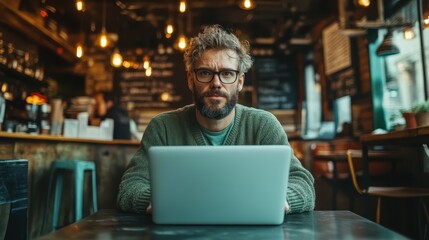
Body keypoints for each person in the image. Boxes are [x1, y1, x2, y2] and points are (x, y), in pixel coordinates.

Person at [117, 24, 315, 214]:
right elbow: (129, 188)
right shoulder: (163, 128)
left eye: (227, 74)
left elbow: (303, 184)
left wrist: (279, 199)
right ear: (189, 79)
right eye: (205, 73)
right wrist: (159, 199)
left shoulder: (263, 126)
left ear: (240, 82)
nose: (216, 83)